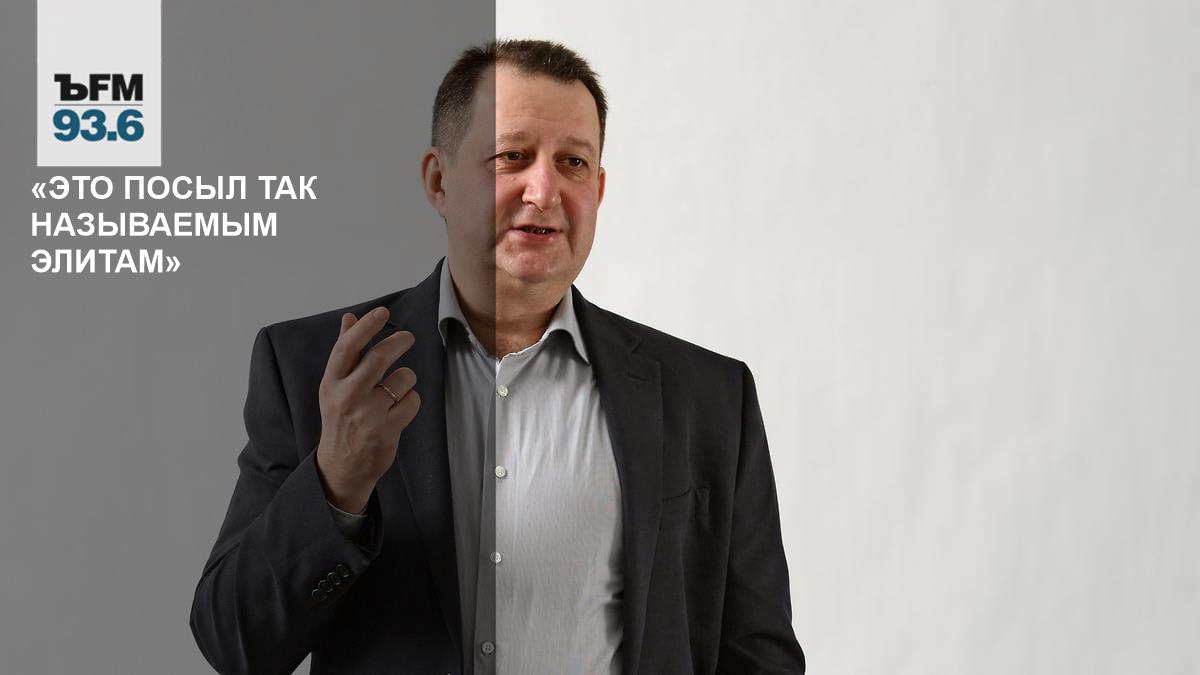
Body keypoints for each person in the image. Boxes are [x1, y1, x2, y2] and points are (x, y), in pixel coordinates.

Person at [189, 39, 805, 675]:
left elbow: (760, 656)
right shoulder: (316, 369)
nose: (544, 190)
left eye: (572, 162)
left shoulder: (708, 396)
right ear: (439, 181)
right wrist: (336, 484)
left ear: (598, 189)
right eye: (512, 156)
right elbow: (236, 644)